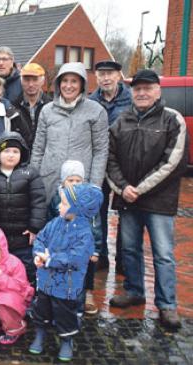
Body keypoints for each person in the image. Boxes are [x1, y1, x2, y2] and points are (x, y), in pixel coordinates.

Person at [107, 69, 189, 330]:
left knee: (163, 254)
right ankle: (134, 291)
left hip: (158, 202)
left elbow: (173, 162)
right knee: (129, 249)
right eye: (137, 88)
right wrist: (123, 188)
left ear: (158, 90)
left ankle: (167, 305)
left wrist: (138, 189)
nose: (141, 93)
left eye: (147, 88)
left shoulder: (172, 120)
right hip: (128, 199)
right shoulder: (121, 120)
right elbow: (110, 159)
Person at [28, 183, 102, 362]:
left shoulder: (85, 234)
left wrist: (50, 259)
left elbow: (75, 258)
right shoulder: (54, 223)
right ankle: (40, 334)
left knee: (65, 313)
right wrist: (38, 255)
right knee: (41, 308)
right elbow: (41, 239)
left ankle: (66, 340)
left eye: (63, 203)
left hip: (67, 285)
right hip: (46, 280)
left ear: (77, 207)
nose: (58, 206)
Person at [30, 62, 108, 203]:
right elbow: (38, 149)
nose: (68, 86)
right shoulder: (47, 111)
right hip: (49, 181)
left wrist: (95, 185)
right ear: (58, 83)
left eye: (74, 81)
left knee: (77, 223)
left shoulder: (96, 111)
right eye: (65, 81)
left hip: (80, 183)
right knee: (50, 224)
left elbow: (100, 151)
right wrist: (34, 180)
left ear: (82, 85)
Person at [0, 132, 46, 285]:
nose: (11, 155)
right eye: (6, 151)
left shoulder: (30, 173)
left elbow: (38, 201)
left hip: (23, 235)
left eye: (15, 151)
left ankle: (26, 300)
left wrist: (34, 227)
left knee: (26, 269)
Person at [89, 60, 133, 271]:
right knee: (98, 212)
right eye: (101, 74)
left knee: (126, 213)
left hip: (124, 166)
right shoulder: (90, 101)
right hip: (98, 165)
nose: (105, 78)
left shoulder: (131, 100)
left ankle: (124, 260)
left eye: (110, 74)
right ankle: (102, 256)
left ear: (119, 75)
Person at [47, 160, 102, 315]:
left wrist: (96, 248)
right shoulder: (56, 199)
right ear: (63, 181)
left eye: (78, 181)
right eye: (71, 180)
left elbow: (96, 226)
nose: (75, 184)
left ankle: (78, 307)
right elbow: (50, 221)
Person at [13, 63, 51, 146]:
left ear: (42, 81)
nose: (30, 84)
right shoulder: (13, 107)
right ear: (21, 81)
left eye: (35, 80)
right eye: (27, 80)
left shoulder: (51, 106)